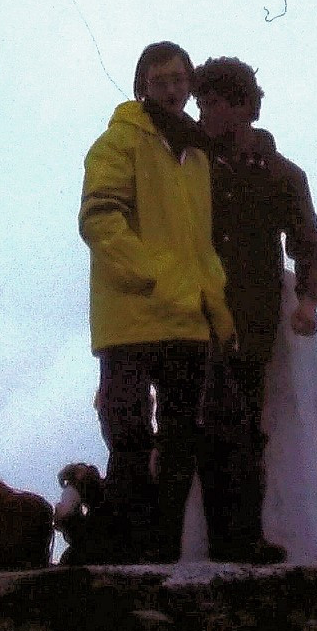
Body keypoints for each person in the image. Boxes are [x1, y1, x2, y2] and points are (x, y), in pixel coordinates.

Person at [79, 40, 235, 562]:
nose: (172, 87)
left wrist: (216, 307)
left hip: (187, 321)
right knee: (127, 439)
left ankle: (161, 558)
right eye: (161, 77)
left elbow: (200, 244)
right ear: (142, 83)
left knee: (179, 448)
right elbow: (100, 218)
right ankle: (122, 561)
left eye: (179, 78)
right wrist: (152, 278)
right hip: (131, 318)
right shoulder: (116, 142)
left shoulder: (196, 156)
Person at [190, 57, 317, 564]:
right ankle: (197, 545)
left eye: (216, 102)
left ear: (245, 106)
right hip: (189, 314)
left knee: (244, 423)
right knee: (192, 426)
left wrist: (309, 300)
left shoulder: (281, 173)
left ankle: (242, 540)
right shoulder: (186, 164)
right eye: (201, 102)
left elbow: (309, 243)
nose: (205, 112)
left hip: (251, 315)